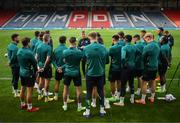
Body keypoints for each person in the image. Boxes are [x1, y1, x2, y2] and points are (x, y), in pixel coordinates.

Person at [83, 32, 108, 117]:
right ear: (96, 37)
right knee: (101, 92)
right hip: (100, 73)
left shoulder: (86, 48)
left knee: (89, 93)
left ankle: (87, 111)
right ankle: (102, 110)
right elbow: (107, 61)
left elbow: (84, 60)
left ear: (90, 38)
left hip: (90, 73)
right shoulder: (103, 47)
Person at [61, 37, 85, 111]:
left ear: (69, 42)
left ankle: (65, 105)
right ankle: (79, 107)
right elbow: (81, 60)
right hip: (76, 72)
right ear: (75, 42)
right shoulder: (79, 52)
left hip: (67, 72)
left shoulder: (65, 51)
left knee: (65, 89)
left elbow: (64, 61)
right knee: (78, 90)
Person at [135, 33, 160, 104]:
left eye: (145, 38)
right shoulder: (157, 45)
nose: (144, 40)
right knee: (153, 81)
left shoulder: (147, 47)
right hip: (155, 66)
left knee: (144, 83)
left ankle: (143, 100)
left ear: (148, 38)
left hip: (148, 67)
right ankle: (152, 97)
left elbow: (143, 58)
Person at [17, 37, 39, 112]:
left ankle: (22, 104)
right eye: (30, 42)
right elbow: (34, 64)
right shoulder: (29, 53)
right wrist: (36, 72)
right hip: (28, 73)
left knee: (22, 89)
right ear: (28, 43)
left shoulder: (19, 50)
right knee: (29, 91)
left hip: (22, 72)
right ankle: (30, 107)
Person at [114, 35, 136, 106]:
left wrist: (124, 66)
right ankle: (132, 99)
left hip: (126, 68)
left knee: (123, 84)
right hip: (133, 66)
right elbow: (138, 53)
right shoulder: (134, 46)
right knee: (131, 83)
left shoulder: (124, 47)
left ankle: (121, 101)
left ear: (125, 39)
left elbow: (123, 58)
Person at [36, 34, 53, 102]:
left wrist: (38, 66)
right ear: (48, 39)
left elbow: (36, 57)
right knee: (46, 82)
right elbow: (48, 58)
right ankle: (46, 97)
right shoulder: (48, 47)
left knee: (41, 80)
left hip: (40, 65)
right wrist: (44, 67)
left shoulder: (39, 46)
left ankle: (39, 95)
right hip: (46, 67)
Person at [108, 34, 122, 102]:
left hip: (114, 67)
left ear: (113, 40)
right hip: (121, 67)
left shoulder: (112, 48)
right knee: (119, 81)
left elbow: (109, 55)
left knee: (112, 82)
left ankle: (113, 96)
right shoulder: (122, 46)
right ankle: (118, 95)